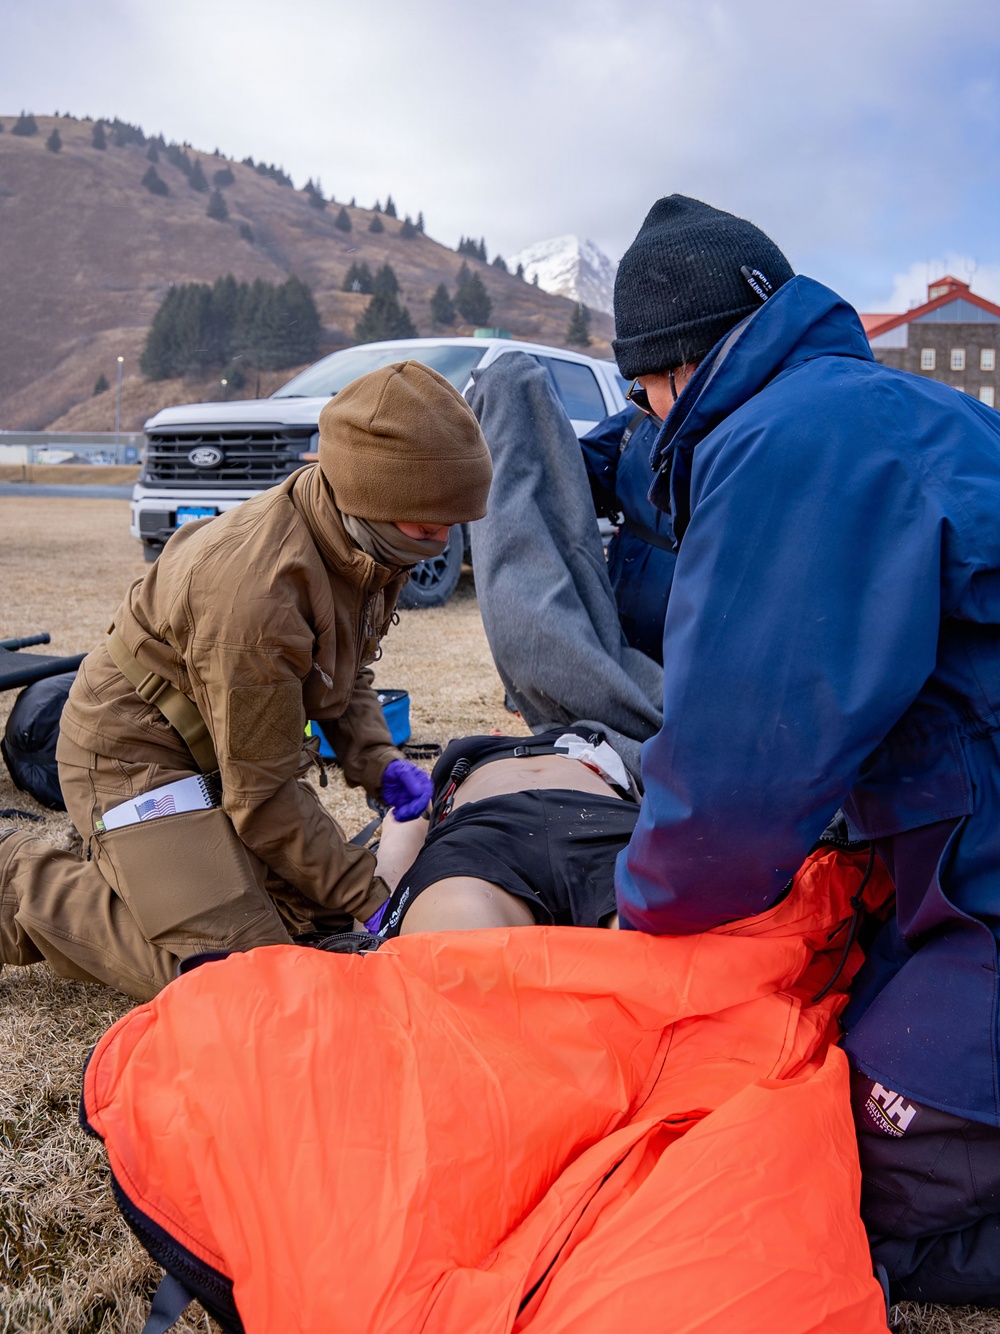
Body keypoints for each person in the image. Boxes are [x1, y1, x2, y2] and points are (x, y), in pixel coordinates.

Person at [611, 195, 1000, 1304]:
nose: (641, 414)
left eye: (638, 388)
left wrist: (637, 923)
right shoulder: (896, 409)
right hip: (965, 870)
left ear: (670, 370)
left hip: (986, 896)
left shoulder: (785, 446)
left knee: (834, 1171)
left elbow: (734, 783)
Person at [0, 362, 492, 1001]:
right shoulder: (256, 595)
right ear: (372, 494)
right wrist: (376, 901)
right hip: (137, 756)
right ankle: (20, 877)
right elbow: (261, 797)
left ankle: (162, 868)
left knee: (317, 922)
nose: (442, 538)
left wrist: (374, 757)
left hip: (226, 742)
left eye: (452, 522)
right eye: (428, 525)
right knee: (237, 978)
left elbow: (342, 668)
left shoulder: (368, 536)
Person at [368, 725, 639, 939]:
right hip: (489, 831)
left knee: (662, 953)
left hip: (597, 821)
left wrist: (374, 922)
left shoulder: (586, 734)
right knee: (463, 954)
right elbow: (407, 817)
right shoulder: (463, 761)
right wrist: (373, 913)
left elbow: (402, 826)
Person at [579, 407, 676, 663]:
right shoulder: (636, 419)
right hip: (632, 581)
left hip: (692, 589)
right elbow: (581, 470)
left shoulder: (736, 414)